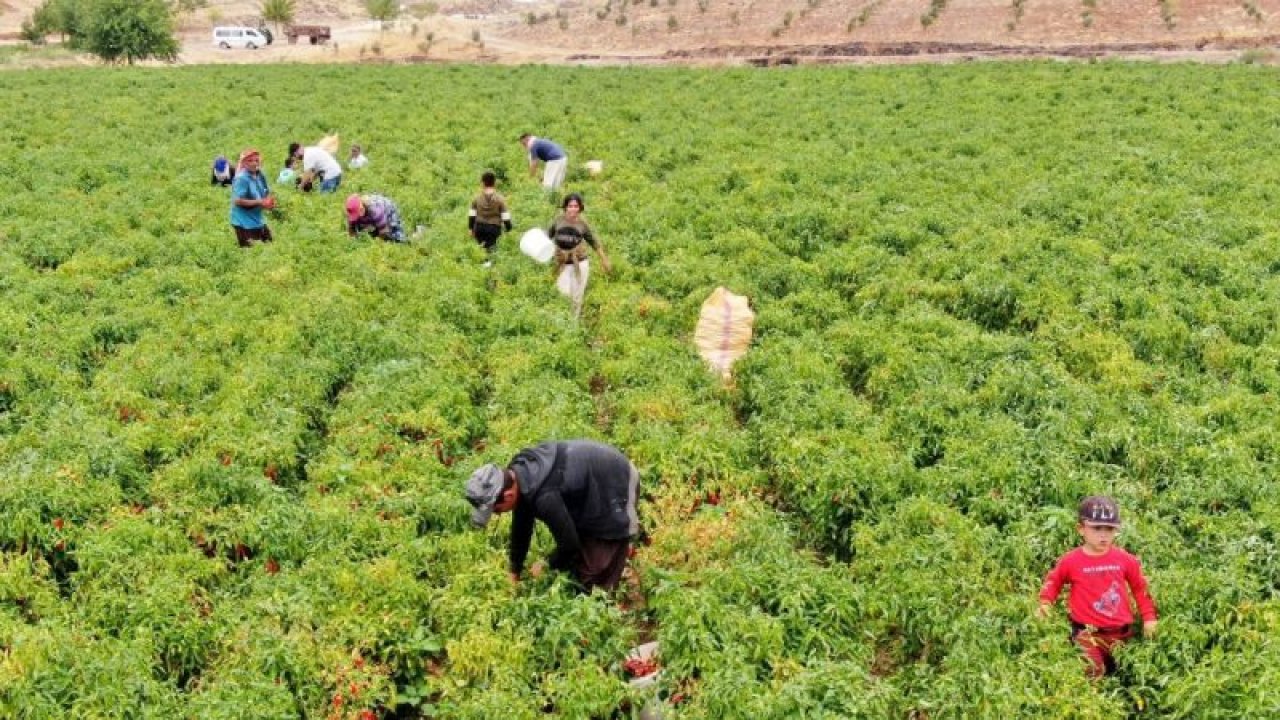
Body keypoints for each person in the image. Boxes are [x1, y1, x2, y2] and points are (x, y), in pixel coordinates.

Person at [465, 439, 640, 592]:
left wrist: (547, 564)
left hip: (617, 480)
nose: (497, 514)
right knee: (576, 564)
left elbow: (569, 544)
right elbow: (521, 524)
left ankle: (621, 575)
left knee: (593, 580)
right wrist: (514, 570)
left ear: (508, 496)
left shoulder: (545, 497)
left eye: (496, 510)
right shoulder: (519, 475)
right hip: (591, 483)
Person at [1038, 496, 1158, 679]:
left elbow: (1140, 588)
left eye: (1109, 529)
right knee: (1094, 672)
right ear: (1081, 529)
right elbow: (1053, 583)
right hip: (1086, 633)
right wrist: (1045, 603)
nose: (1103, 535)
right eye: (1096, 528)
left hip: (1121, 634)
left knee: (1125, 676)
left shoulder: (1124, 559)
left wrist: (1149, 618)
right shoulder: (1071, 560)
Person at [547, 193, 611, 319]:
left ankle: (573, 325)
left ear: (580, 208)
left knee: (577, 297)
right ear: (565, 207)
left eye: (576, 206)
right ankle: (562, 322)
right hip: (562, 264)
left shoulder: (582, 224)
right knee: (563, 293)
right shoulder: (558, 221)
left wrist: (604, 260)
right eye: (570, 206)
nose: (573, 209)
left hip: (580, 264)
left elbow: (594, 243)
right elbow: (547, 237)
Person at [229, 148, 275, 248]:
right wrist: (259, 202)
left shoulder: (260, 174)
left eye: (256, 160)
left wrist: (268, 203)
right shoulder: (242, 178)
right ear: (244, 163)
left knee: (270, 245)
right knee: (252, 251)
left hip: (257, 219)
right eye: (250, 161)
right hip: (243, 222)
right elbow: (237, 200)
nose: (254, 163)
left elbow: (266, 192)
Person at [468, 171, 512, 263]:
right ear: (494, 182)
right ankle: (490, 271)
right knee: (492, 251)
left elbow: (472, 215)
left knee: (481, 251)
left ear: (482, 183)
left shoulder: (477, 198)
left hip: (479, 228)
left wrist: (470, 229)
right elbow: (505, 217)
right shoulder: (500, 199)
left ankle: (481, 269)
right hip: (494, 228)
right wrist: (509, 230)